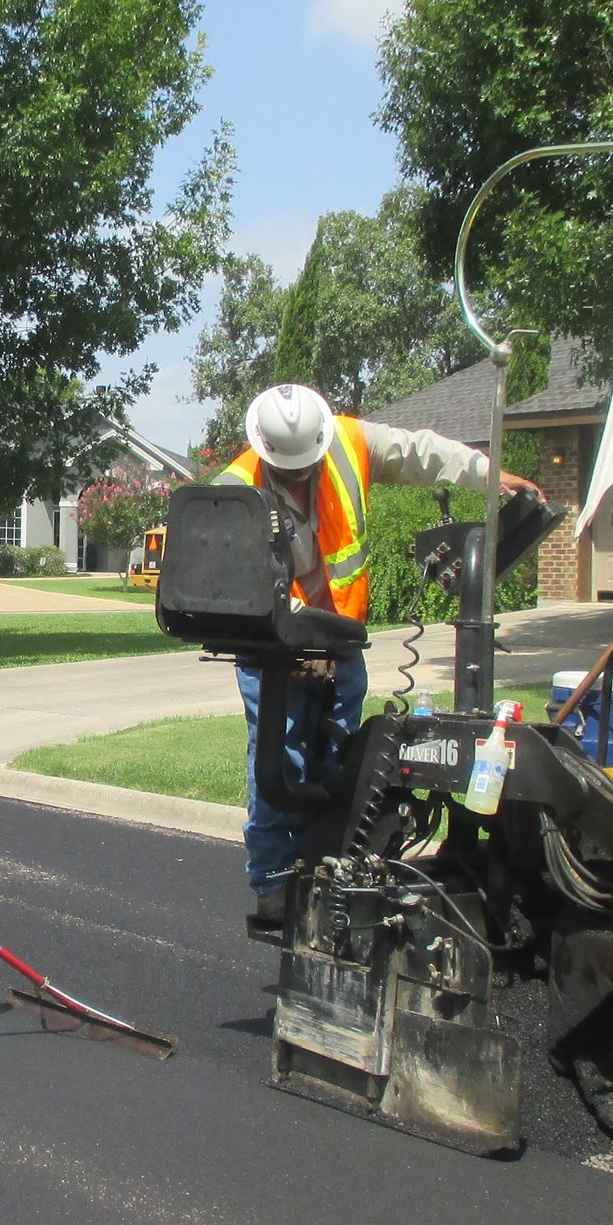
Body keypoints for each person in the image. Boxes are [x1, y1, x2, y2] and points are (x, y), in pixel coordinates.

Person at [219, 383, 538, 928]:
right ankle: (273, 881)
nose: (300, 476)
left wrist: (490, 476)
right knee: (278, 760)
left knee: (341, 760)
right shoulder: (233, 489)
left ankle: (327, 871)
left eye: (306, 466)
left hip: (339, 640)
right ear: (265, 450)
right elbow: (228, 582)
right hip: (273, 649)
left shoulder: (349, 443)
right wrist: (290, 634)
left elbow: (424, 452)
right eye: (289, 470)